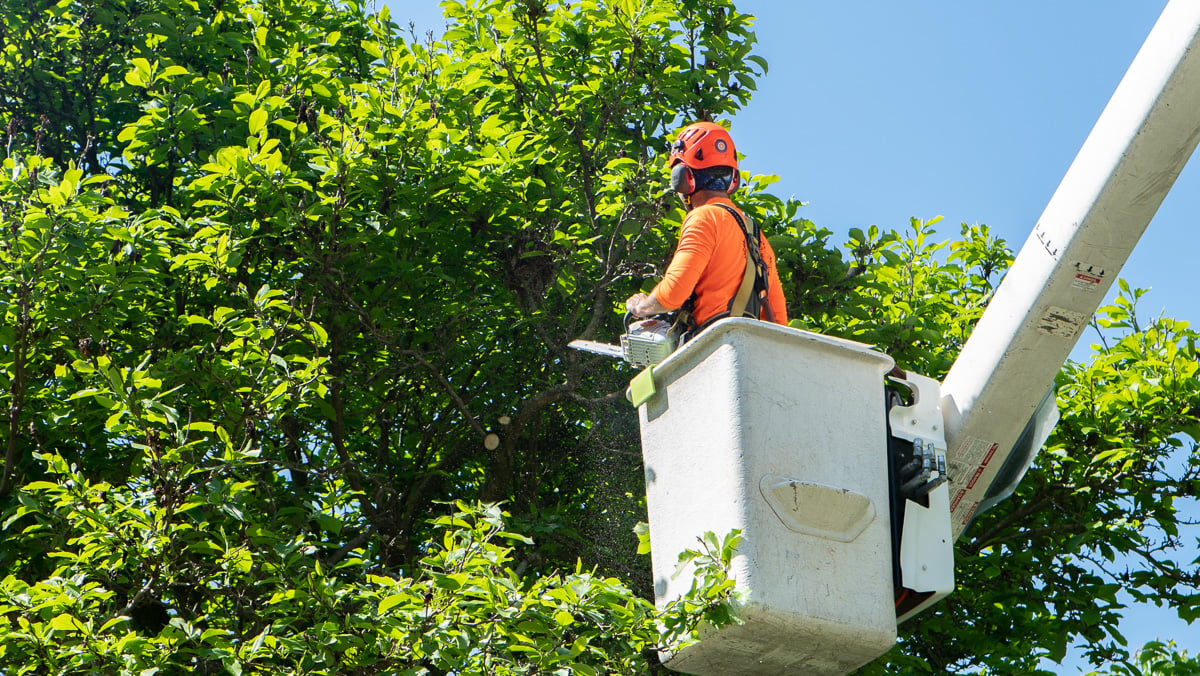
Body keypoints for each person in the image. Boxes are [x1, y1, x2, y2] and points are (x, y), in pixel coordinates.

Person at [625, 121, 788, 334]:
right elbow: (778, 322)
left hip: (713, 348)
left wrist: (642, 307)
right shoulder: (757, 236)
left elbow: (673, 293)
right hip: (749, 350)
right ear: (733, 178)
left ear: (684, 178)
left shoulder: (703, 218)